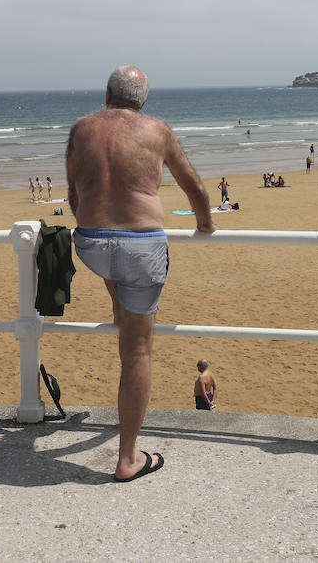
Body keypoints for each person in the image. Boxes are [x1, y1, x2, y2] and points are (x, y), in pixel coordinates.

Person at [66, 66, 213, 482]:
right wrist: (205, 223)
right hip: (140, 248)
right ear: (143, 100)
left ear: (106, 94)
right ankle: (128, 457)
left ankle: (118, 301)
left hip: (91, 245)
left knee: (116, 270)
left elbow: (75, 193)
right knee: (137, 351)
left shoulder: (81, 128)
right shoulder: (157, 129)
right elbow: (195, 187)